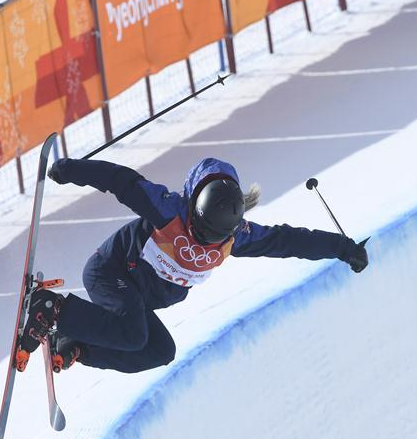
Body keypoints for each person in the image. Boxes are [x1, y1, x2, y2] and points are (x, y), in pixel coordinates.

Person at [19, 157, 368, 373]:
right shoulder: (168, 209)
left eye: (211, 240)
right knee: (134, 333)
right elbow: (121, 181)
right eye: (198, 233)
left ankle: (74, 342)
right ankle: (52, 308)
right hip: (110, 273)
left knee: (160, 351)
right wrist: (72, 170)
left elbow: (286, 240)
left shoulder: (234, 237)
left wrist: (342, 248)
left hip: (135, 298)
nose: (203, 243)